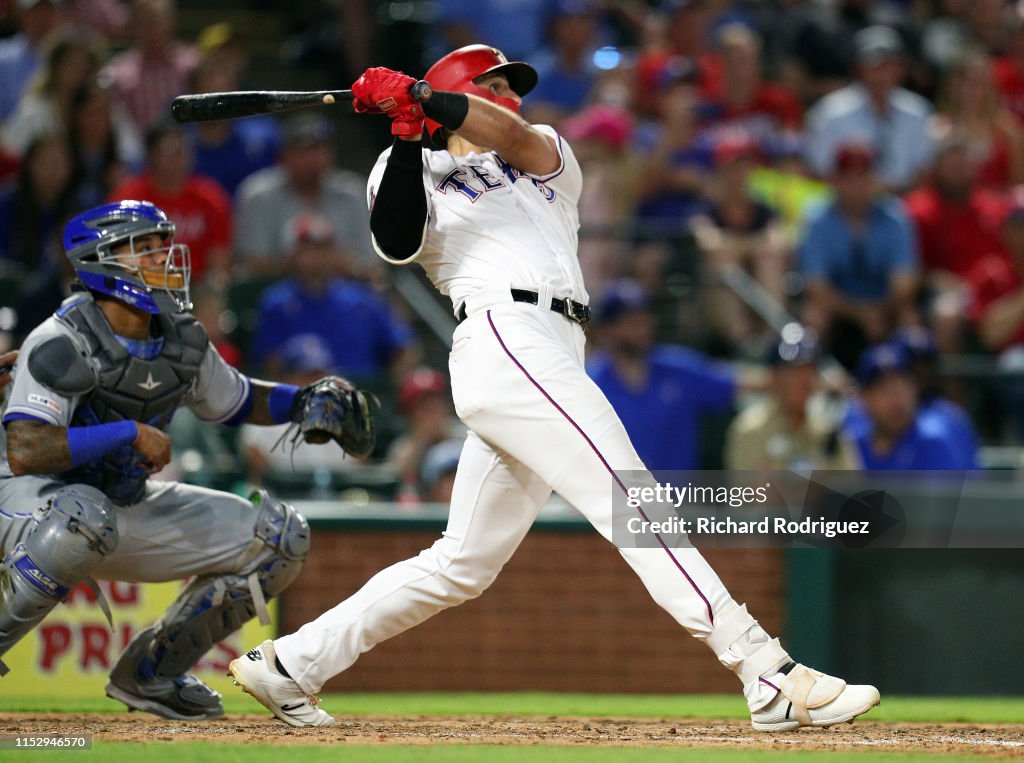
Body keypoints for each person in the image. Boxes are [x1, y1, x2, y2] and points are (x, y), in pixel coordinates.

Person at [229, 44, 879, 730]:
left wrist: (422, 98)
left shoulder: (544, 155)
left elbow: (509, 134)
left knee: (463, 563)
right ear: (456, 89)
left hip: (556, 343)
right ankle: (765, 671)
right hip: (503, 334)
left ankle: (292, 662)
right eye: (494, 85)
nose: (511, 96)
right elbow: (394, 244)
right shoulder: (405, 164)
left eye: (512, 86)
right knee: (632, 498)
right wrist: (407, 125)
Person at [0, 200, 373, 719]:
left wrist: (303, 401)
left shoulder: (179, 335)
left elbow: (237, 399)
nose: (165, 257)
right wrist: (127, 431)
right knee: (81, 516)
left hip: (120, 504)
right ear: (103, 261)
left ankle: (152, 676)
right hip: (30, 503)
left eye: (162, 245)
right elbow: (26, 450)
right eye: (146, 248)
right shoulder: (61, 337)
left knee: (279, 537)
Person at [587, 279, 736, 470]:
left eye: (645, 319)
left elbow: (737, 384)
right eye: (630, 322)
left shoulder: (677, 368)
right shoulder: (591, 381)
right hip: (613, 495)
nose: (641, 327)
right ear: (606, 330)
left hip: (680, 495)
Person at [249, 210, 415, 382]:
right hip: (304, 398)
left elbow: (403, 348)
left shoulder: (362, 300)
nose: (316, 258)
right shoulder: (276, 303)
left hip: (362, 398)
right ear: (293, 254)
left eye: (323, 249)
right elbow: (270, 364)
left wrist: (390, 390)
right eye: (307, 249)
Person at [799, 142, 920, 371]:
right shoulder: (818, 220)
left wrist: (880, 311)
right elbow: (816, 286)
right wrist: (860, 313)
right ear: (834, 180)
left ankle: (915, 391)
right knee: (814, 317)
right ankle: (815, 386)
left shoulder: (895, 217)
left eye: (863, 175)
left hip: (886, 307)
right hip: (839, 307)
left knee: (910, 321)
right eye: (848, 177)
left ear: (875, 179)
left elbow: (905, 283)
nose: (857, 185)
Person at [804, 25, 934, 193]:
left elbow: (925, 173)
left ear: (901, 68)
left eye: (890, 65)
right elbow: (819, 172)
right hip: (846, 206)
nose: (883, 73)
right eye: (875, 66)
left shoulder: (918, 111)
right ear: (858, 68)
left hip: (904, 206)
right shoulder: (831, 113)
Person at [726, 328, 860, 472]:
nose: (803, 381)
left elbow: (851, 488)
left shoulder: (829, 431)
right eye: (794, 373)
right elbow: (742, 491)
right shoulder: (750, 429)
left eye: (809, 371)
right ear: (775, 378)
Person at [845, 342, 975, 470]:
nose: (896, 400)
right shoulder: (850, 446)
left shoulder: (934, 442)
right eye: (884, 390)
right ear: (865, 398)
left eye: (904, 388)